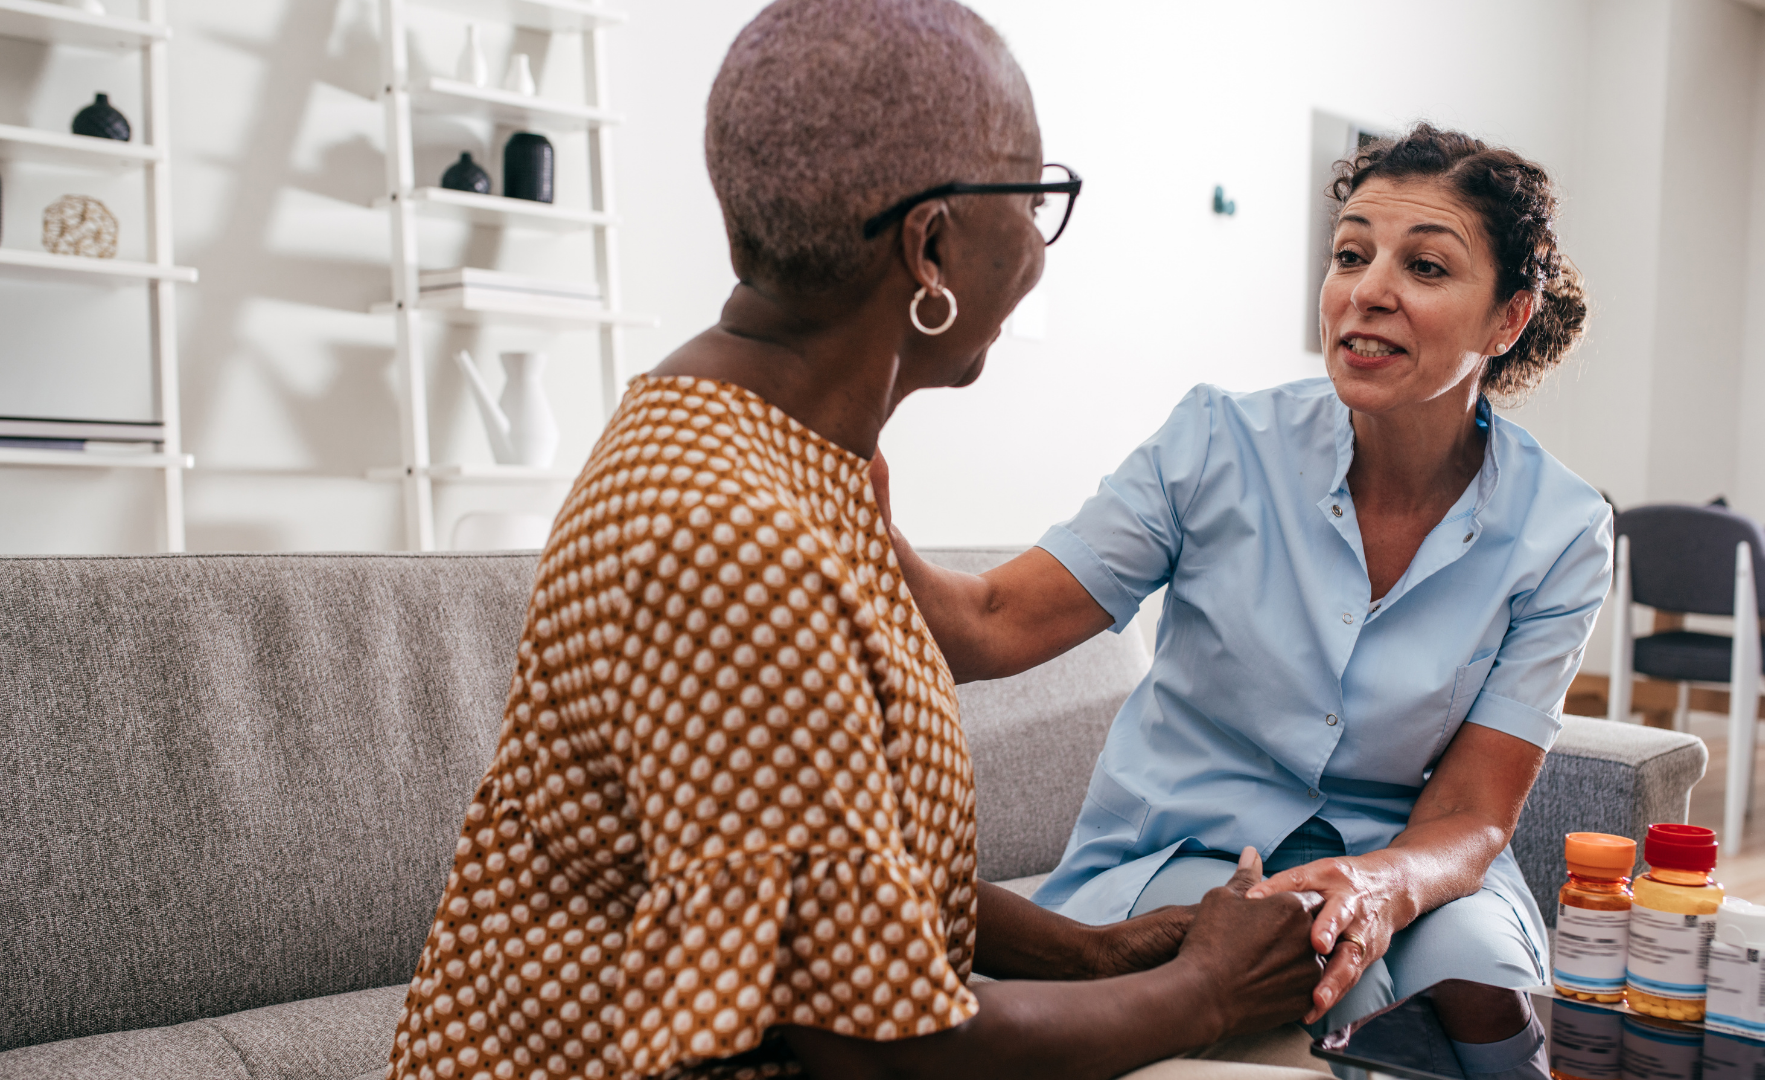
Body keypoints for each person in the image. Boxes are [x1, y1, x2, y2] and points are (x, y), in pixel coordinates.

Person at [382, 3, 1327, 1080]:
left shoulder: (774, 448)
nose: (1038, 250)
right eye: (1035, 199)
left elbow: (817, 858)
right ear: (930, 247)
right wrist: (1203, 992)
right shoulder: (735, 543)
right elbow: (881, 1054)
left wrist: (1092, 953)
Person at [888, 123, 1609, 1052]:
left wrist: (1382, 886)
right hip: (1187, 851)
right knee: (1336, 998)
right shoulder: (1216, 445)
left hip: (1407, 859)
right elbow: (989, 624)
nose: (1369, 291)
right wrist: (846, 480)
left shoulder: (1562, 531)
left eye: (1426, 268)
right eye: (1351, 255)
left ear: (1507, 320)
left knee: (1490, 1007)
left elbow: (1472, 810)